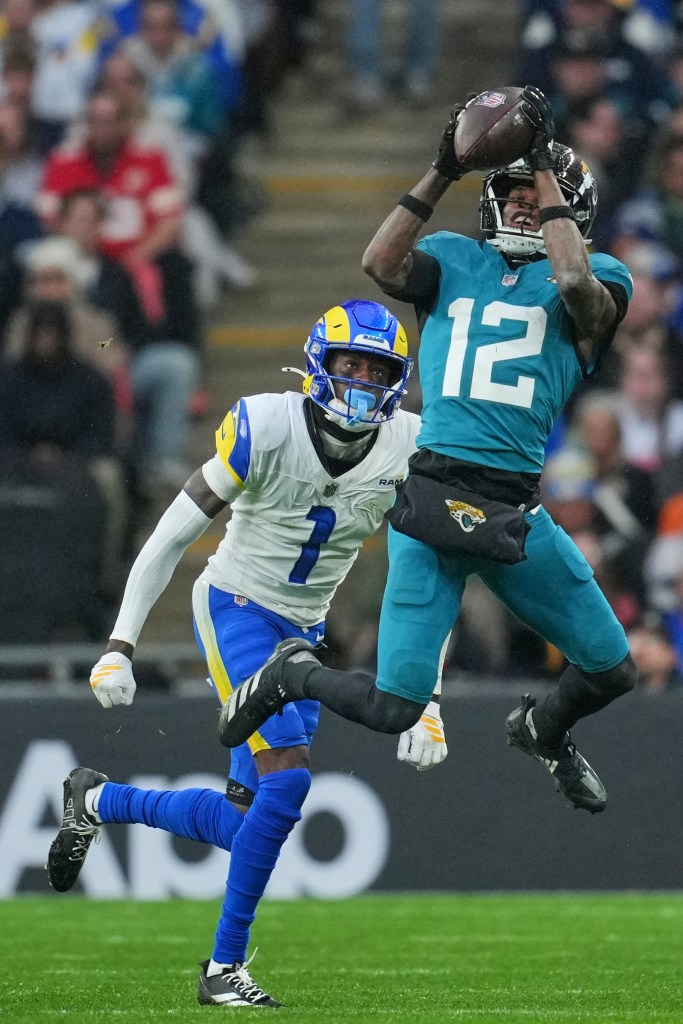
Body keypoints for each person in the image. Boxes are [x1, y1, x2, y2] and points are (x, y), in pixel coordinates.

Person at [219, 86, 639, 816]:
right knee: (393, 709)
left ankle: (543, 730)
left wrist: (539, 159)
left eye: (530, 195)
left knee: (611, 669)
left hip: (512, 510)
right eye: (505, 194)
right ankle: (291, 673)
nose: (517, 206)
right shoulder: (451, 259)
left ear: (566, 207)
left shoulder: (601, 277)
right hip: (432, 501)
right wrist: (441, 168)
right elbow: (378, 262)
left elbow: (570, 278)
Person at [45, 299, 442, 1007]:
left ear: (397, 379)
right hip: (237, 605)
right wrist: (120, 643)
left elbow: (427, 583)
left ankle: (96, 799)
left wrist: (426, 698)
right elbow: (171, 533)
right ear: (319, 363)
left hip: (304, 629)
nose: (358, 381)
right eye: (347, 364)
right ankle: (223, 969)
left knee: (242, 818)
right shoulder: (265, 424)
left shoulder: (410, 445)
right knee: (287, 782)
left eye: (374, 370)